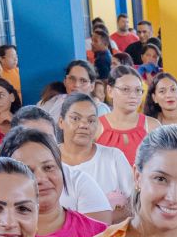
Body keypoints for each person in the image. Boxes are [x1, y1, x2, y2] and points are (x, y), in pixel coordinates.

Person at [56, 92, 134, 220]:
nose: (84, 125)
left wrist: (100, 225)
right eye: (75, 118)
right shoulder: (48, 161)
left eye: (91, 120)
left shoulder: (113, 157)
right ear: (61, 122)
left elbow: (134, 201)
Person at [100, 66, 154, 166]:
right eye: (125, 89)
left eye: (138, 90)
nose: (133, 95)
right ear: (110, 91)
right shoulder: (96, 127)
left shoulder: (152, 126)